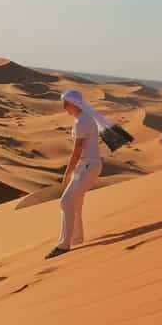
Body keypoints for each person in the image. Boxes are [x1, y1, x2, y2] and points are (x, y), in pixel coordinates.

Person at [45, 90, 104, 259]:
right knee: (74, 202)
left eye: (66, 104)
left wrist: (67, 172)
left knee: (66, 202)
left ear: (74, 103)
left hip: (88, 166)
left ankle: (63, 245)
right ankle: (77, 239)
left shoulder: (82, 122)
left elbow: (77, 151)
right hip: (85, 167)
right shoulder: (83, 119)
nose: (64, 108)